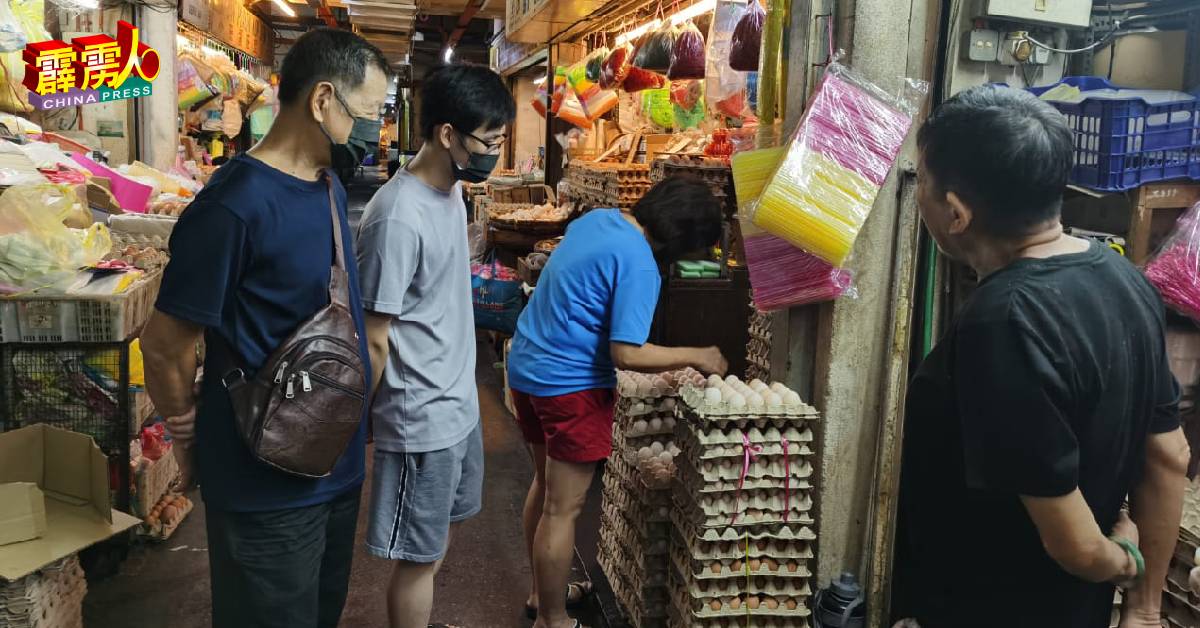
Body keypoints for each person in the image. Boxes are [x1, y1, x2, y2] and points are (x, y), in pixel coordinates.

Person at [892, 85, 1191, 628]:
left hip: (993, 608)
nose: (920, 199)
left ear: (956, 213)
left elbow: (1074, 545)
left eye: (923, 184)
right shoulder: (1126, 281)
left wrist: (1125, 561)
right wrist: (1144, 609)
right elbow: (1169, 456)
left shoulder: (1003, 322)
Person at [140, 29, 389, 628]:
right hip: (260, 486)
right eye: (369, 113)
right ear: (323, 100)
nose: (375, 131)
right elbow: (165, 343)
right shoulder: (233, 206)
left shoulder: (327, 186)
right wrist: (192, 441)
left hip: (335, 466)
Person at [508, 176, 730, 628]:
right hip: (569, 387)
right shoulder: (641, 264)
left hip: (528, 367)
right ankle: (552, 619)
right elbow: (626, 352)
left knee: (544, 486)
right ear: (681, 237)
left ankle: (540, 592)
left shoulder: (600, 220)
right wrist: (699, 354)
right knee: (562, 508)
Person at [356, 63, 515, 628]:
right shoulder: (396, 216)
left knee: (436, 543)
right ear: (448, 135)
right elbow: (375, 337)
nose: (494, 153)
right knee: (417, 558)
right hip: (419, 415)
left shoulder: (449, 194)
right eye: (488, 141)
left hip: (457, 406)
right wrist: (359, 428)